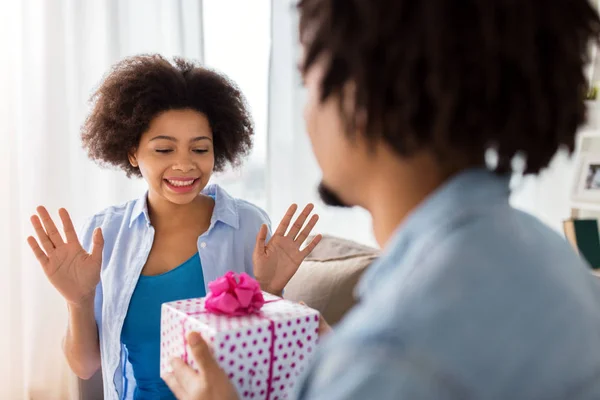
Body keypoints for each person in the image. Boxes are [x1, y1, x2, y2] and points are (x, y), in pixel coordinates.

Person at [162, 0, 600, 399]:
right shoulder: (552, 255)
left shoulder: (383, 358)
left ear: (360, 100)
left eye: (307, 85)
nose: (304, 113)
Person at [26, 55, 322, 400]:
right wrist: (79, 301)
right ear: (133, 152)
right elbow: (85, 366)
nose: (184, 164)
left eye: (200, 148)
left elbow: (267, 361)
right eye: (164, 149)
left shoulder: (248, 227)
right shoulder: (106, 234)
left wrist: (270, 293)